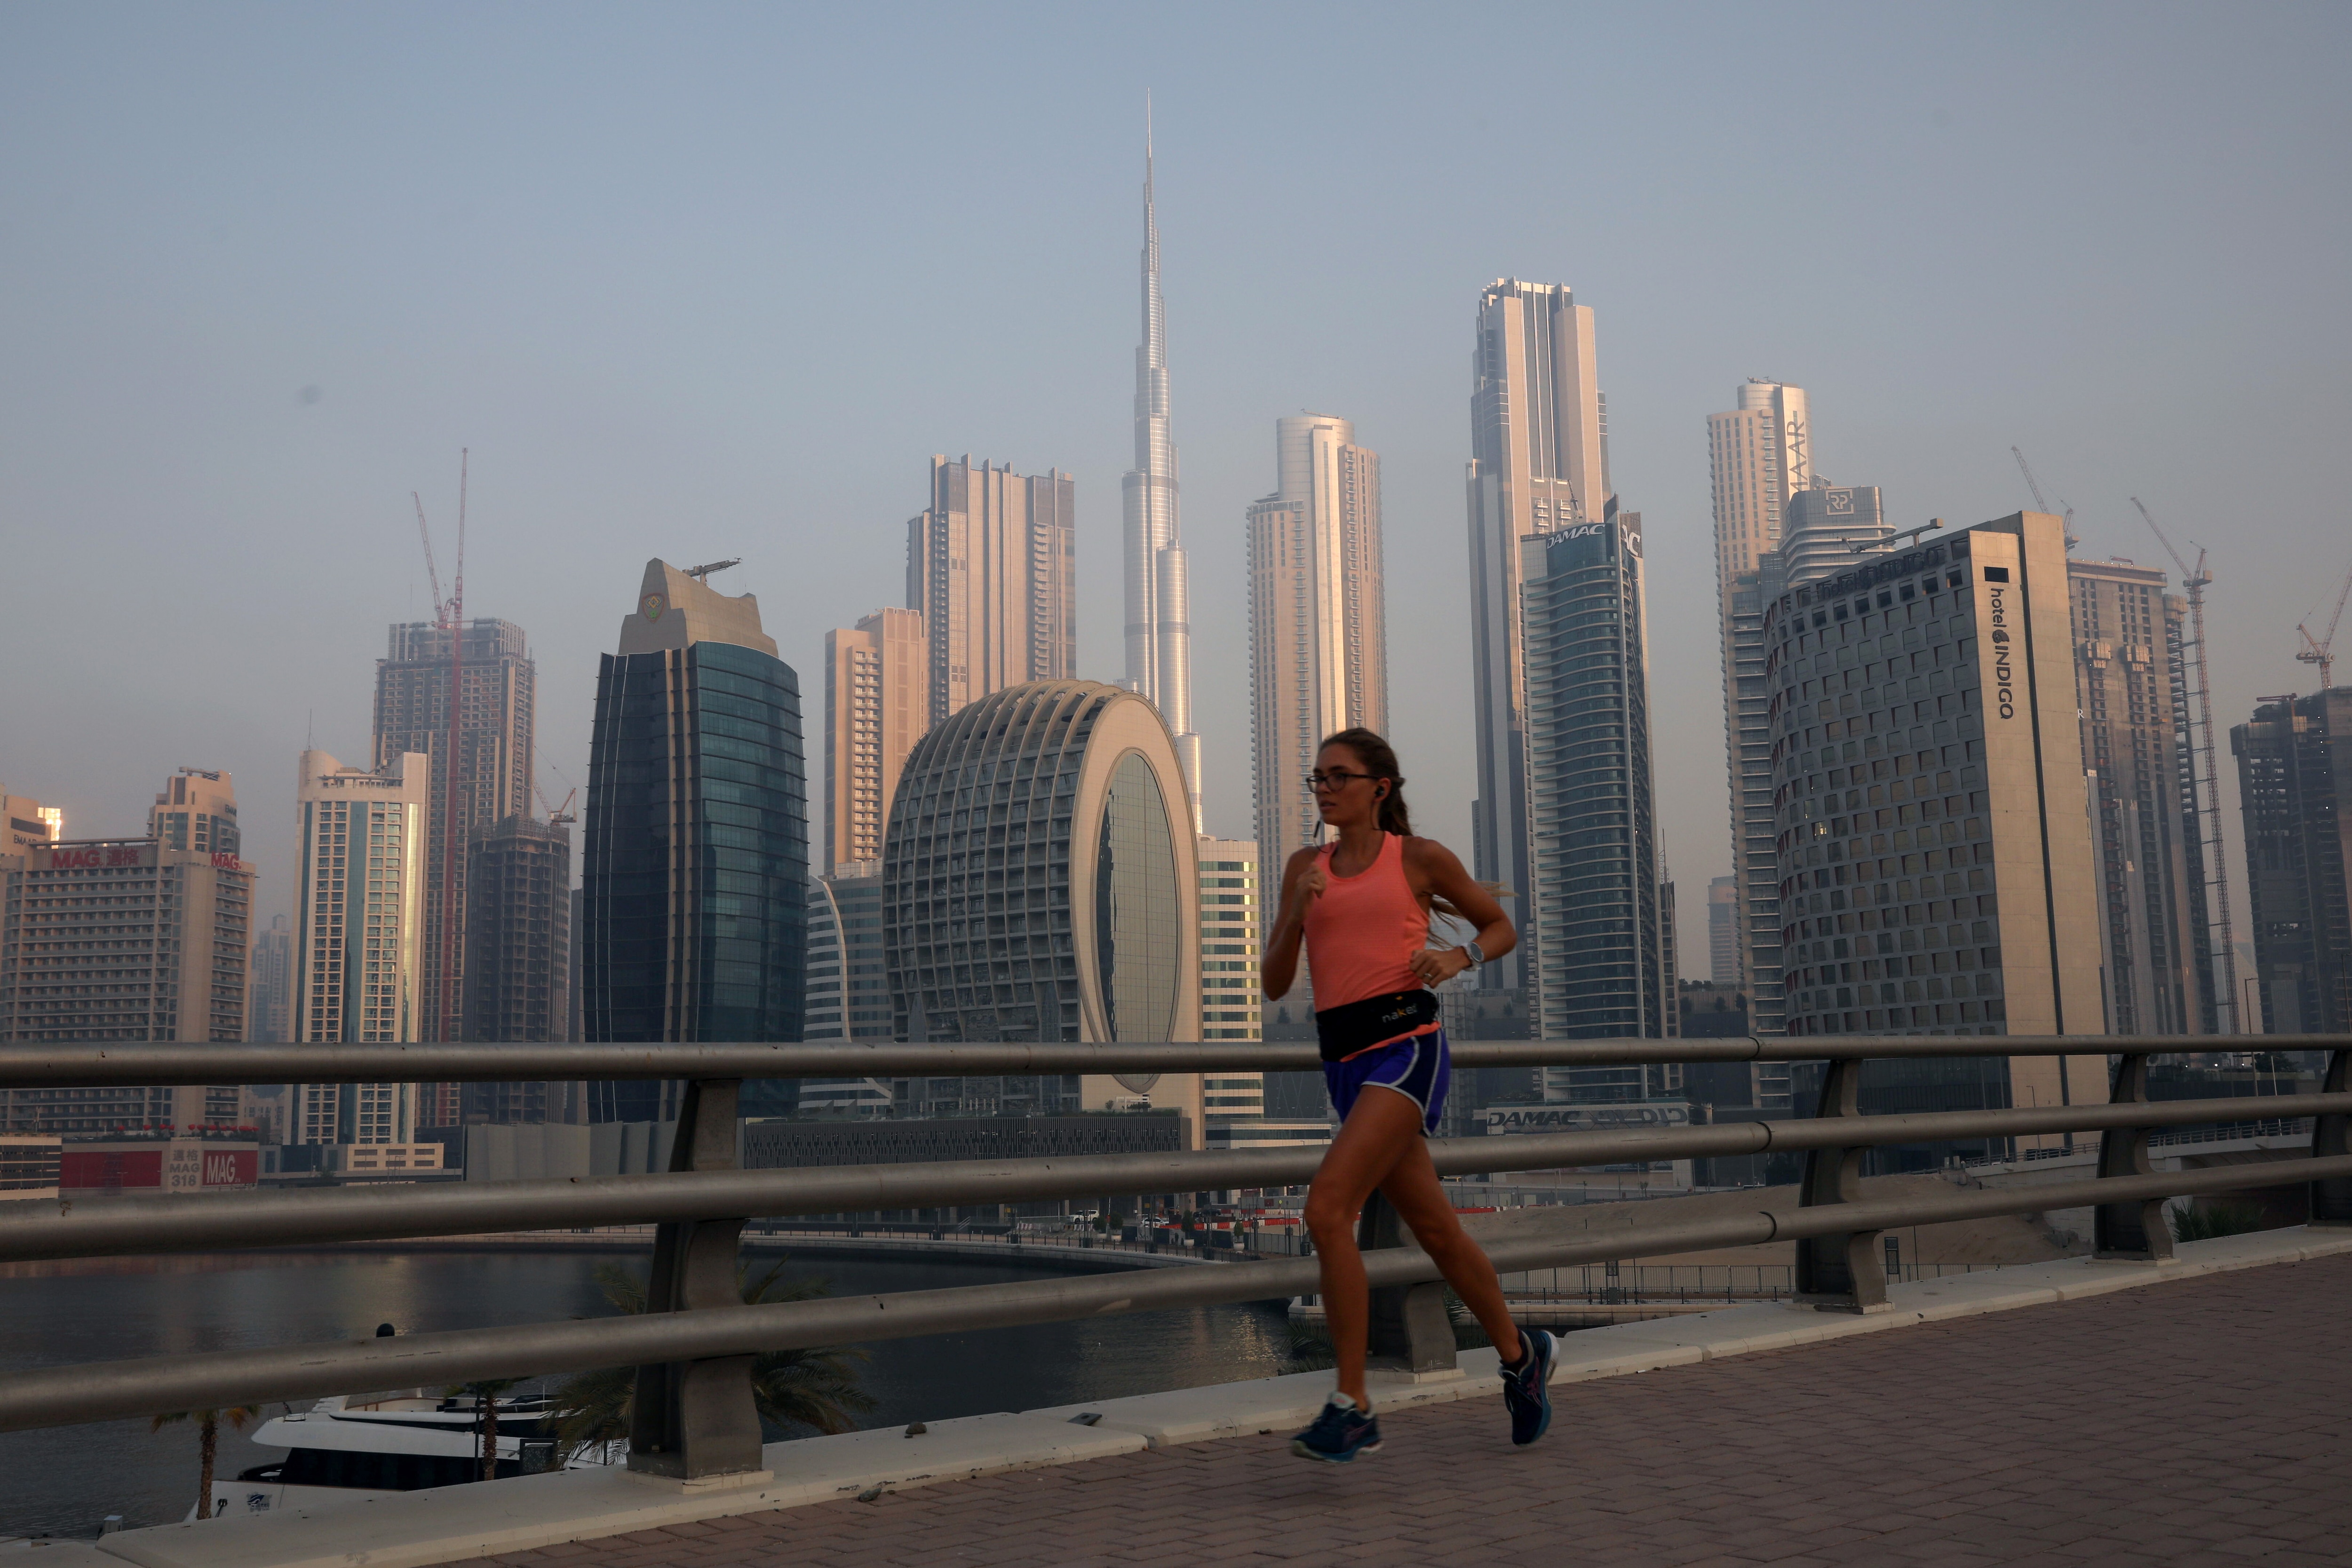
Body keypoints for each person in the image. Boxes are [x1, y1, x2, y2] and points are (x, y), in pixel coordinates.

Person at [1262, 727, 1557, 1464]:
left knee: (1328, 1207)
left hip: (1406, 1049)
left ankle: (1353, 1404)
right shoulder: (1306, 866)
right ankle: (1523, 1357)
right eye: (1316, 778)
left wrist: (1460, 955)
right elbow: (1273, 983)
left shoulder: (1417, 858)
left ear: (1379, 787)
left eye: (1339, 776)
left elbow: (1501, 925)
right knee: (1437, 1230)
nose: (1324, 788)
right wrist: (1298, 908)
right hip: (1345, 1066)